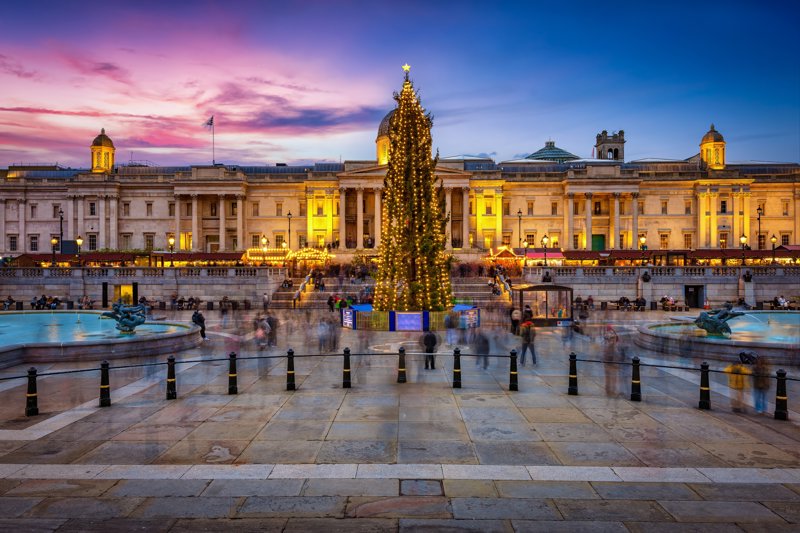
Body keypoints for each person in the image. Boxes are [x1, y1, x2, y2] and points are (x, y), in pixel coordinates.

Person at [603, 326, 620, 395]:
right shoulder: (611, 337)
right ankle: (611, 390)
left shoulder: (607, 336)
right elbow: (612, 348)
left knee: (609, 376)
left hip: (608, 360)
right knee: (612, 376)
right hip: (611, 360)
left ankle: (609, 390)